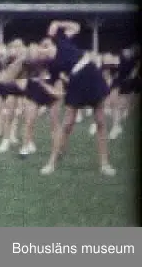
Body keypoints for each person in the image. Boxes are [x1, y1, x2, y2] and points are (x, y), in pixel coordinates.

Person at [38, 21, 116, 176]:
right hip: (76, 82)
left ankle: (104, 164)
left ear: (50, 41)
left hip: (91, 73)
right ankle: (52, 162)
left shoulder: (61, 39)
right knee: (67, 124)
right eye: (42, 47)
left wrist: (58, 23)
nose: (45, 47)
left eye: (46, 44)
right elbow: (54, 86)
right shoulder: (52, 65)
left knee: (101, 121)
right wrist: (43, 84)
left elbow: (76, 27)